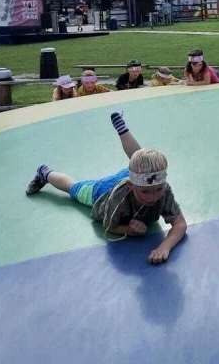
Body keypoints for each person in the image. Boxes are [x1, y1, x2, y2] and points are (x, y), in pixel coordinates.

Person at [25, 111, 187, 264]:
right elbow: (109, 226)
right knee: (72, 188)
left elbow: (180, 224)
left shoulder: (160, 187)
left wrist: (164, 247)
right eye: (146, 192)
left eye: (158, 189)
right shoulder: (119, 197)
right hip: (103, 190)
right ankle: (45, 173)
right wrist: (129, 230)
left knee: (141, 159)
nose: (154, 197)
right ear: (131, 186)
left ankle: (121, 127)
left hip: (131, 176)